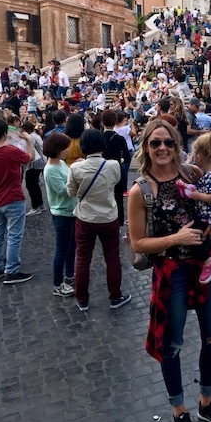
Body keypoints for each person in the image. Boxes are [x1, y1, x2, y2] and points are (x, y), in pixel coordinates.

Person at [127, 118, 211, 422]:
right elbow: (137, 243)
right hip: (171, 271)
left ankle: (206, 402)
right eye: (155, 143)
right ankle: (179, 411)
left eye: (168, 142)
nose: (162, 148)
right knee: (171, 345)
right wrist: (175, 237)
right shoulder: (140, 190)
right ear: (146, 147)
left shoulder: (193, 175)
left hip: (206, 264)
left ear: (177, 145)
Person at [67, 129, 130, 312]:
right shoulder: (113, 165)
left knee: (83, 259)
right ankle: (115, 296)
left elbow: (71, 192)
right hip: (109, 216)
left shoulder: (76, 168)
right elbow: (116, 182)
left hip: (85, 217)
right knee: (112, 258)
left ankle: (82, 299)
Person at [176, 131, 211, 284]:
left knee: (194, 239)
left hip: (209, 216)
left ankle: (208, 262)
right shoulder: (210, 174)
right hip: (207, 214)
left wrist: (198, 196)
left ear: (199, 157)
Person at [0, 118, 35, 283]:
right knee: (14, 235)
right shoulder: (11, 151)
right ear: (5, 133)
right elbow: (30, 157)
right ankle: (11, 271)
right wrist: (30, 141)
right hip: (13, 197)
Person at [43, 132, 77, 297]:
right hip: (62, 214)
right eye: (65, 148)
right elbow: (65, 191)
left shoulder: (61, 163)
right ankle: (57, 284)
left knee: (71, 246)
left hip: (70, 212)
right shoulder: (50, 169)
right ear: (57, 149)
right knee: (62, 249)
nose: (67, 150)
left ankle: (69, 275)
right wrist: (77, 178)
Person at [22, 121, 46, 216]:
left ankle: (35, 206)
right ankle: (40, 205)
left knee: (30, 185)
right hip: (39, 162)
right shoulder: (35, 135)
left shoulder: (31, 137)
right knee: (35, 185)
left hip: (34, 163)